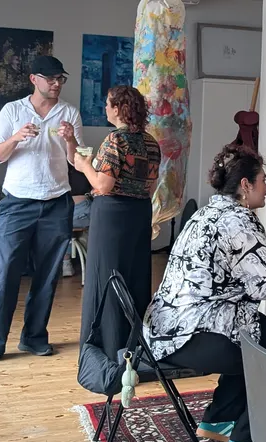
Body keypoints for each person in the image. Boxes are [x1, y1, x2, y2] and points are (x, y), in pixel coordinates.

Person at [144, 144, 266, 442]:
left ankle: (220, 419)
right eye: (263, 180)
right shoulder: (239, 220)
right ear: (246, 185)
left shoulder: (208, 212)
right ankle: (248, 436)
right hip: (193, 334)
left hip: (165, 328)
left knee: (255, 332)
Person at [0, 56, 83, 367]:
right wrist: (16, 138)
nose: (56, 83)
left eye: (61, 78)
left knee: (47, 275)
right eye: (51, 78)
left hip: (57, 202)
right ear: (34, 79)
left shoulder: (68, 112)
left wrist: (70, 140)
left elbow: (75, 161)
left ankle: (34, 338)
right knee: (5, 273)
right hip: (17, 203)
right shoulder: (13, 111)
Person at [73, 85, 160, 362]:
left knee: (107, 276)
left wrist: (84, 165)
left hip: (112, 215)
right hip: (140, 214)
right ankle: (133, 345)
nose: (105, 108)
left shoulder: (114, 141)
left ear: (118, 108)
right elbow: (150, 185)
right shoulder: (151, 142)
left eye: (108, 104)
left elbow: (104, 185)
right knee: (135, 276)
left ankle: (106, 348)